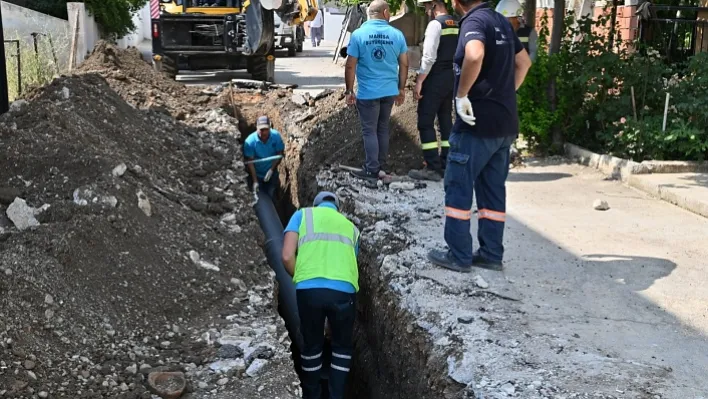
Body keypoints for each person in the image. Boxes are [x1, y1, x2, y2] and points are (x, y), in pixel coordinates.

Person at [426, 0, 532, 272]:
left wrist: (462, 95)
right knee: (492, 192)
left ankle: (459, 255)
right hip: (504, 125)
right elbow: (524, 63)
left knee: (459, 187)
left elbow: (474, 55)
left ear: (456, 2)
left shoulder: (473, 22)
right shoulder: (501, 22)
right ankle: (491, 254)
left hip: (476, 124)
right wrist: (504, 95)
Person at [281, 191, 360, 399]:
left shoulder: (302, 216)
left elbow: (287, 255)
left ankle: (311, 394)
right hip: (344, 292)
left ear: (316, 205)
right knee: (342, 347)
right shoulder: (351, 228)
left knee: (312, 346)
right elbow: (350, 262)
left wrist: (302, 278)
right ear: (337, 208)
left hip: (309, 291)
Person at [344, 0, 409, 181]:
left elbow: (350, 65)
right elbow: (404, 63)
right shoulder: (397, 35)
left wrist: (349, 90)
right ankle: (381, 165)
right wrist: (401, 89)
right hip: (389, 91)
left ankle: (372, 169)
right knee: (382, 129)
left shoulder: (358, 35)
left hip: (368, 93)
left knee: (369, 131)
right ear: (386, 13)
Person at [408, 0, 459, 182]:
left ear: (435, 5)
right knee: (445, 120)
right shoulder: (456, 23)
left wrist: (420, 80)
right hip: (451, 78)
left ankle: (432, 167)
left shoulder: (435, 25)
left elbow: (429, 57)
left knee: (425, 121)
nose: (427, 11)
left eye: (428, 7)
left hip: (435, 77)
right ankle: (446, 164)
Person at [243, 116, 285, 199]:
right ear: (256, 128)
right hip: (257, 174)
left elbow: (279, 154)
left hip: (272, 173)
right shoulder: (250, 142)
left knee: (271, 193)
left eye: (266, 129)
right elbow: (250, 162)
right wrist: (255, 181)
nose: (264, 133)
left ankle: (273, 203)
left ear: (270, 128)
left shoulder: (276, 136)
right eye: (261, 130)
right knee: (260, 195)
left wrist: (271, 170)